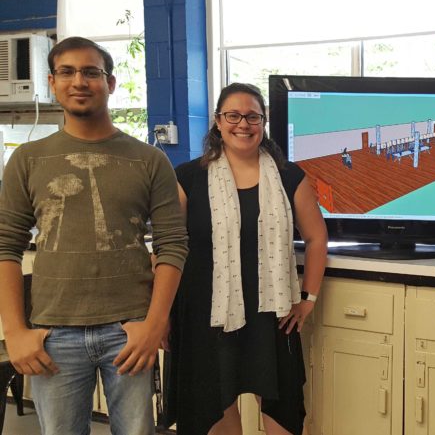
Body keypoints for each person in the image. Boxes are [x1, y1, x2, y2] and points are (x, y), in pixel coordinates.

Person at [0, 36, 188, 434]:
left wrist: (155, 324)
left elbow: (173, 245)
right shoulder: (28, 159)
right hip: (53, 333)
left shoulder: (149, 160)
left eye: (91, 72)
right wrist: (15, 332)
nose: (79, 81)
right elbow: (6, 246)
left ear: (111, 83)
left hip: (129, 332)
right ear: (52, 82)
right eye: (66, 72)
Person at [164, 83, 328, 435]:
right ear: (218, 122)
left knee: (282, 414)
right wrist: (159, 314)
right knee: (217, 411)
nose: (244, 124)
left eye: (253, 116)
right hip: (207, 317)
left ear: (264, 122)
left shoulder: (289, 176)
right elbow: (167, 248)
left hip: (272, 314)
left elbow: (316, 238)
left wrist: (308, 299)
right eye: (233, 115)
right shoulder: (188, 178)